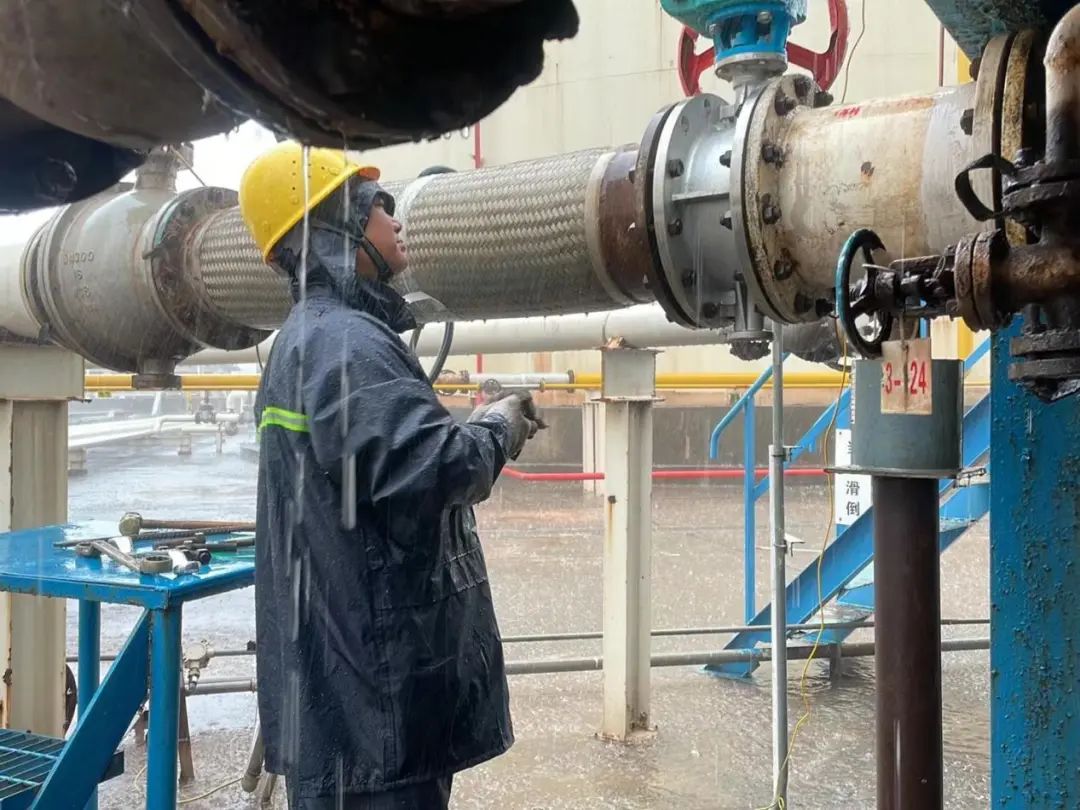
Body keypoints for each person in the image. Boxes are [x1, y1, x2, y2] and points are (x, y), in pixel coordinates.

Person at [239, 143, 544, 809]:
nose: (396, 219)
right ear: (338, 228)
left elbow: (383, 466)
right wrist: (499, 425)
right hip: (374, 714)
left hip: (346, 705)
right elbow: (438, 469)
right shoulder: (345, 343)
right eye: (379, 205)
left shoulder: (313, 339)